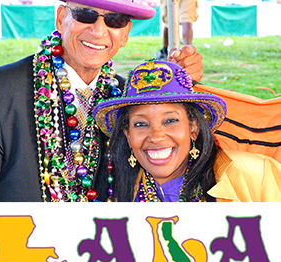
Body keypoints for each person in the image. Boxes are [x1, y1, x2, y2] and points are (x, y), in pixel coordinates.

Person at [0, 0, 203, 202]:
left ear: (125, 34)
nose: (98, 31)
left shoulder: (128, 99)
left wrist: (180, 87)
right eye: (85, 14)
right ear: (60, 19)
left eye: (114, 20)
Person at [93, 60, 281, 202]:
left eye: (170, 121)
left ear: (193, 128)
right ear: (127, 134)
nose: (156, 137)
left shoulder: (253, 175)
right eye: (141, 124)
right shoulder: (113, 191)